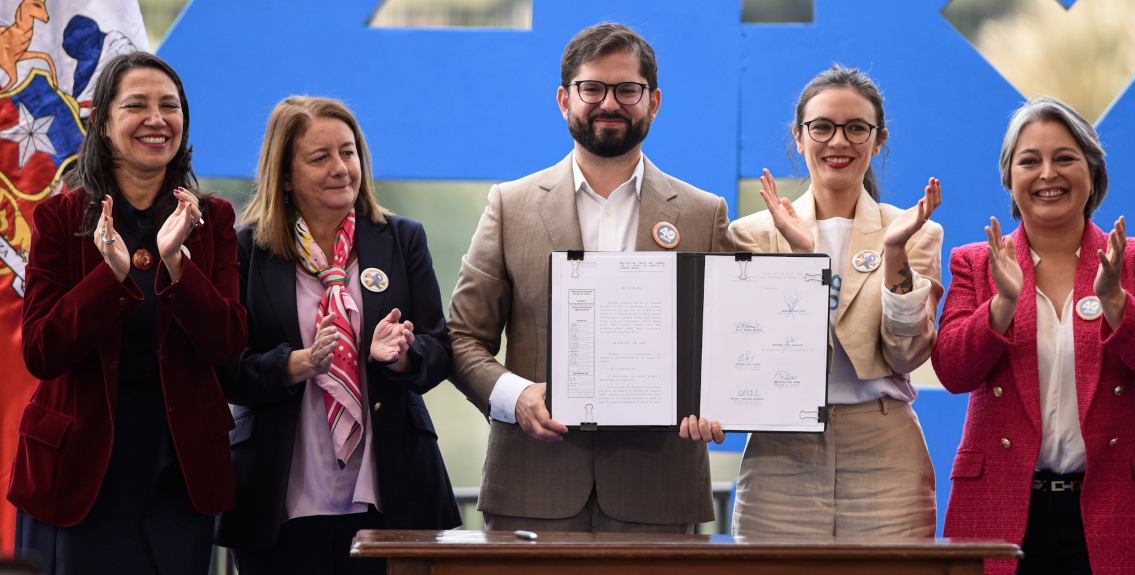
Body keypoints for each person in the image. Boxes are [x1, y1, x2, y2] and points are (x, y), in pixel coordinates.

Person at [447, 22, 734, 533]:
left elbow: (728, 343)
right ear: (564, 99)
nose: (610, 103)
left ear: (654, 101)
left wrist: (717, 400)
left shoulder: (702, 214)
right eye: (592, 89)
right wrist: (515, 396)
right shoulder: (510, 207)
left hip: (659, 492)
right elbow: (463, 337)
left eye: (628, 90)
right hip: (532, 487)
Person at [932, 97, 1135, 575]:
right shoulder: (975, 262)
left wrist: (1117, 301)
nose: (1047, 173)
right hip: (1002, 509)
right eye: (1029, 161)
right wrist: (1001, 305)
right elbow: (951, 369)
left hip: (1116, 506)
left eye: (1065, 158)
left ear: (1092, 173)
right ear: (1010, 179)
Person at [14, 52, 245, 574]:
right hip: (78, 471)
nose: (156, 119)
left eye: (169, 106)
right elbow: (42, 350)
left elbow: (228, 344)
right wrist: (110, 277)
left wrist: (176, 266)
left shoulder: (214, 219)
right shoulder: (59, 216)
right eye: (136, 105)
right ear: (101, 122)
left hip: (178, 470)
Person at [213, 97, 460, 574]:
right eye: (319, 157)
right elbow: (225, 368)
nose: (340, 168)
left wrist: (402, 357)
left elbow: (440, 348)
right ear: (283, 175)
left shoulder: (401, 238)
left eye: (348, 153)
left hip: (388, 496)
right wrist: (296, 364)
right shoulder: (247, 249)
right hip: (279, 497)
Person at [718, 64, 943, 537]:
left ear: (877, 141)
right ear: (799, 138)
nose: (838, 141)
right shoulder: (752, 234)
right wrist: (804, 261)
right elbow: (756, 354)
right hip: (781, 451)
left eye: (856, 128)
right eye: (821, 127)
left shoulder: (915, 231)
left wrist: (896, 250)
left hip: (885, 448)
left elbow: (906, 354)